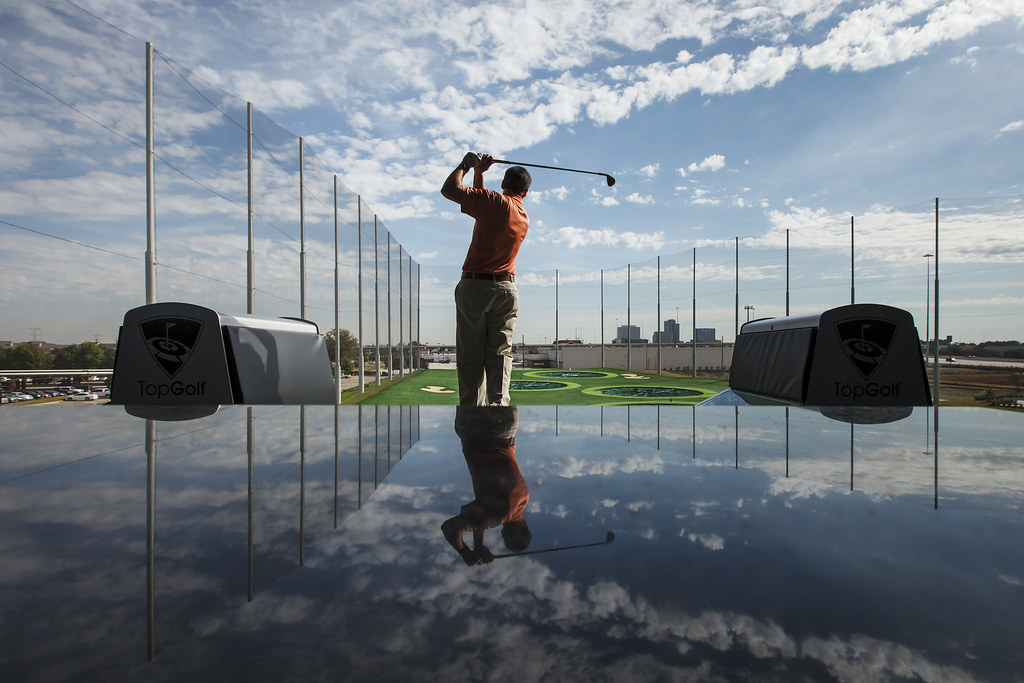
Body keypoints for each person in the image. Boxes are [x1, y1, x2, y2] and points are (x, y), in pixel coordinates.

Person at [441, 152, 532, 406]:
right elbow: (482, 206)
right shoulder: (522, 216)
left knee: (471, 357)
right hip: (506, 290)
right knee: (500, 354)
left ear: (503, 185)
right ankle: (499, 410)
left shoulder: (494, 202)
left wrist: (468, 164)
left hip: (475, 288)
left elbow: (449, 189)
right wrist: (480, 174)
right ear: (525, 193)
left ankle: (472, 415)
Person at [441, 406, 531, 565]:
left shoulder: (523, 499)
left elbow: (483, 513)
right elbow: (449, 528)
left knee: (498, 384)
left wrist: (479, 545)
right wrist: (466, 553)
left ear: (524, 525)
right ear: (503, 533)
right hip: (476, 432)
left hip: (506, 429)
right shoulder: (499, 515)